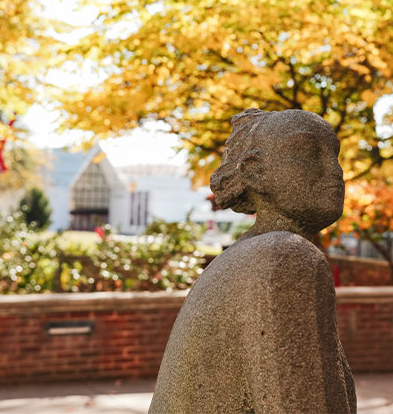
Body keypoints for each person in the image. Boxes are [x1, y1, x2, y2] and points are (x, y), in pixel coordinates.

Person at [149, 109, 356, 414]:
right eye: (308, 151)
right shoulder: (285, 257)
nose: (335, 169)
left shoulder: (245, 258)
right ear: (256, 171)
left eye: (334, 154)